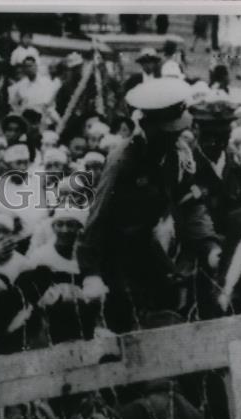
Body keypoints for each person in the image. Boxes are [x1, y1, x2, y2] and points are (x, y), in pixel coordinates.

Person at [76, 78, 222, 332]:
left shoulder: (177, 153)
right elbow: (97, 218)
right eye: (168, 131)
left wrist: (209, 245)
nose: (175, 135)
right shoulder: (124, 161)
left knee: (167, 296)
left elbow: (189, 202)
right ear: (146, 125)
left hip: (144, 242)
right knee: (120, 314)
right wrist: (91, 273)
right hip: (112, 248)